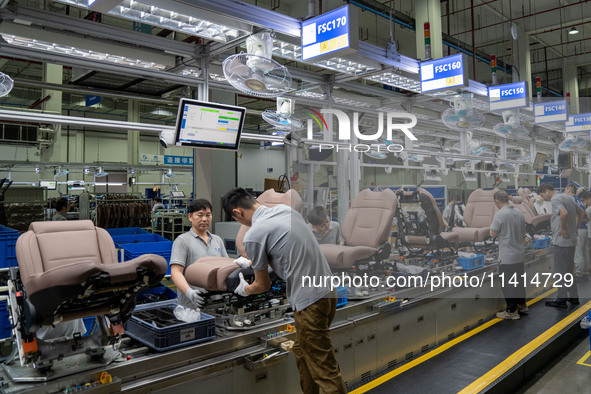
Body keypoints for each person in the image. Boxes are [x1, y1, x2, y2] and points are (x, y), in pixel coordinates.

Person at [222, 188, 346, 394]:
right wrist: (256, 262)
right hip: (328, 293)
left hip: (309, 302)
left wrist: (245, 289)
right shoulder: (287, 212)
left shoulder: (254, 234)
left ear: (237, 213)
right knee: (302, 351)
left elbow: (263, 286)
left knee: (325, 369)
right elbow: (286, 253)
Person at [170, 199, 229, 309]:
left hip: (217, 303)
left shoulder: (217, 240)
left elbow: (226, 269)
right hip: (191, 306)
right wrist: (189, 292)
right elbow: (176, 272)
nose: (204, 219)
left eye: (208, 215)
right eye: (200, 215)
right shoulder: (183, 240)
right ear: (190, 217)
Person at [538, 183, 585, 308]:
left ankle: (561, 299)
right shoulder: (568, 197)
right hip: (571, 241)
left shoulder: (555, 199)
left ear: (547, 191)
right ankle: (574, 297)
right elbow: (581, 213)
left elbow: (563, 213)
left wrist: (563, 228)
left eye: (543, 195)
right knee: (569, 271)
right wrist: (575, 227)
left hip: (562, 241)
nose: (544, 198)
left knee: (561, 272)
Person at [490, 190, 527, 320]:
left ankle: (511, 311)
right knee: (518, 282)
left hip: (507, 256)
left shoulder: (499, 214)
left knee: (508, 284)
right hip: (519, 254)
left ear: (496, 201)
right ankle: (521, 305)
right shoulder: (518, 212)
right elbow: (524, 231)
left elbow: (492, 234)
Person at [565, 184, 589, 278]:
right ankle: (584, 271)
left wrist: (575, 227)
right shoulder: (579, 201)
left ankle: (579, 274)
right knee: (584, 252)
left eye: (565, 191)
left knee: (578, 253)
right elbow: (587, 216)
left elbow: (575, 216)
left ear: (568, 190)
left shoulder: (571, 200)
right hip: (584, 229)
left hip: (578, 230)